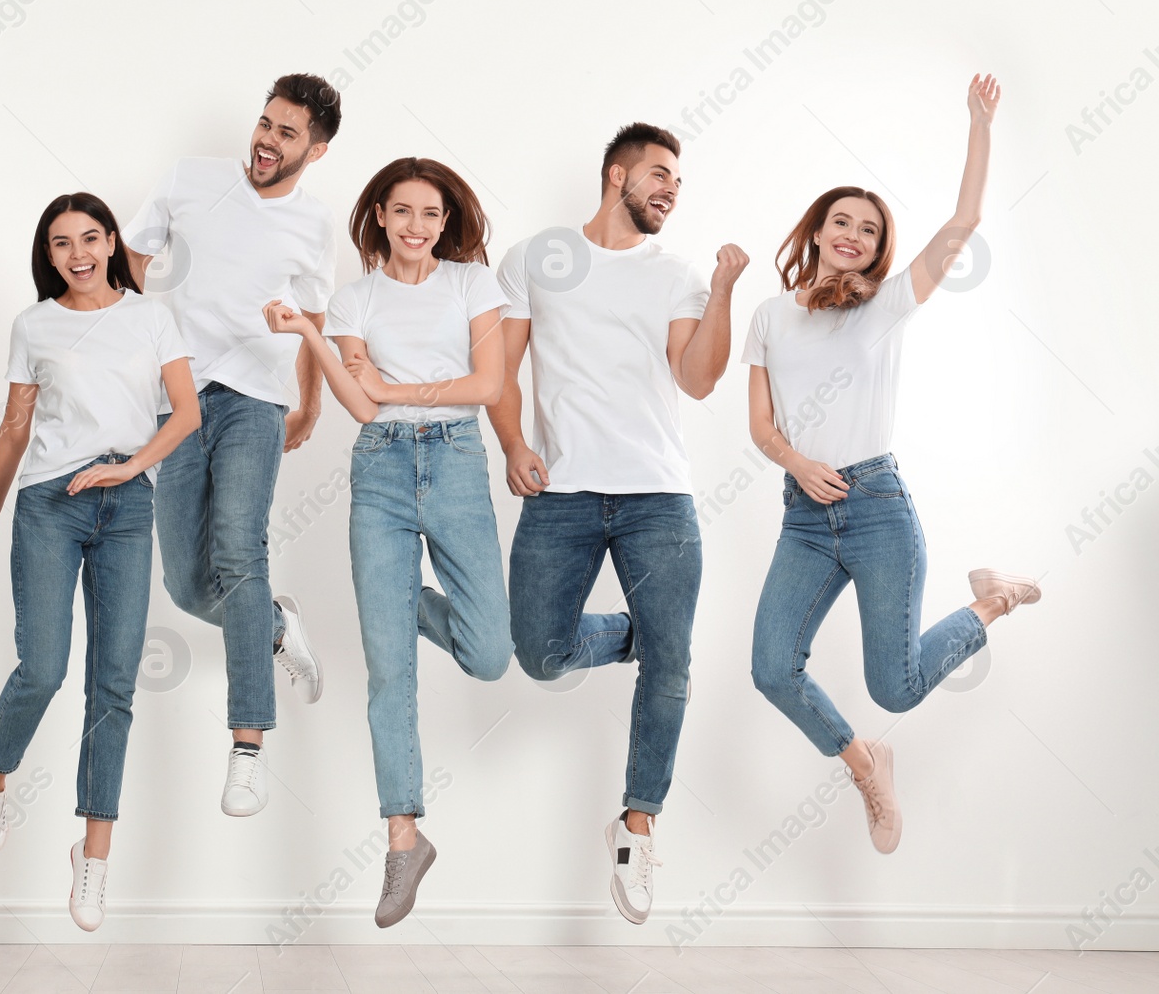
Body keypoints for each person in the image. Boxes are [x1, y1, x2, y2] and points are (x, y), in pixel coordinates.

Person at [744, 75, 1039, 854]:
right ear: (815, 232)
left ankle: (993, 601)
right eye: (840, 221)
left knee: (896, 686)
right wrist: (797, 462)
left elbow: (964, 219)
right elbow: (760, 426)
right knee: (772, 669)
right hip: (803, 516)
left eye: (868, 230)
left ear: (879, 249)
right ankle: (865, 765)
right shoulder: (771, 316)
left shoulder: (888, 304)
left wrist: (978, 124)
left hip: (877, 510)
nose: (852, 234)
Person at [487, 123, 748, 924]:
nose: (671, 188)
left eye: (679, 181)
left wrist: (725, 289)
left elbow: (698, 380)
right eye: (659, 174)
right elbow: (501, 365)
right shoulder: (539, 257)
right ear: (616, 175)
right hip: (562, 492)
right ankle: (653, 632)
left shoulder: (673, 277)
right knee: (538, 651)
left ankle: (637, 827)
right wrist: (514, 442)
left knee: (670, 669)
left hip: (655, 496)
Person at [265, 157, 512, 927]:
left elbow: (488, 385)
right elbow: (360, 410)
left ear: (446, 222)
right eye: (401, 212)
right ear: (379, 216)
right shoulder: (352, 299)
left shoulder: (475, 284)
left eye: (430, 215)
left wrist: (397, 386)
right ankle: (403, 839)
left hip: (458, 463)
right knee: (388, 674)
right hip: (378, 471)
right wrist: (310, 330)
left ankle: (394, 600)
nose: (415, 226)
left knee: (489, 650)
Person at [0, 192, 197, 932]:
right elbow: (14, 426)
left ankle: (92, 859)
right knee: (44, 667)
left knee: (115, 684)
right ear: (50, 254)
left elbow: (185, 413)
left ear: (112, 241)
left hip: (125, 505)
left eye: (91, 237)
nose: (79, 253)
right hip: (49, 503)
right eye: (62, 243)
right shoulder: (33, 324)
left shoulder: (151, 315)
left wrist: (131, 472)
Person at [123, 74, 341, 817]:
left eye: (287, 134)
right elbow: (130, 259)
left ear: (315, 150)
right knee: (187, 585)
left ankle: (247, 750)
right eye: (265, 123)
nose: (267, 141)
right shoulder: (191, 179)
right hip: (175, 397)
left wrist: (309, 400)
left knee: (240, 553)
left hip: (254, 397)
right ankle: (275, 625)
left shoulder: (314, 226)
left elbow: (314, 319)